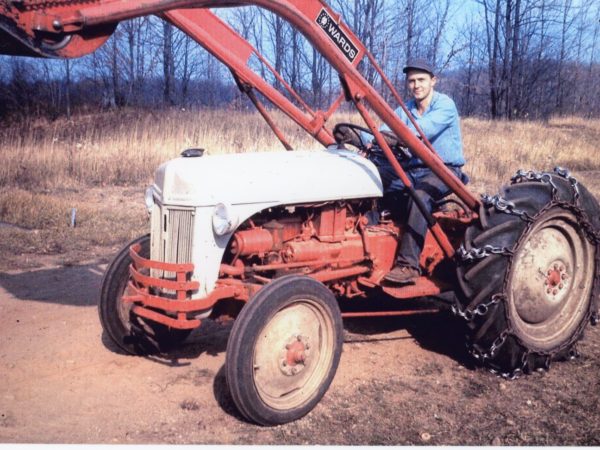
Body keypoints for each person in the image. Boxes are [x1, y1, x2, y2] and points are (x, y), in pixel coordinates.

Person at [371, 58, 467, 284]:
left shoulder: (445, 105)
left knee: (420, 196)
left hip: (445, 171)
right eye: (412, 81)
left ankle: (408, 265)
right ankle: (368, 238)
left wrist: (391, 135)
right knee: (374, 182)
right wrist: (361, 137)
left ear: (433, 81)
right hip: (413, 169)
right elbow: (384, 130)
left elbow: (421, 129)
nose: (416, 85)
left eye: (421, 80)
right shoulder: (406, 109)